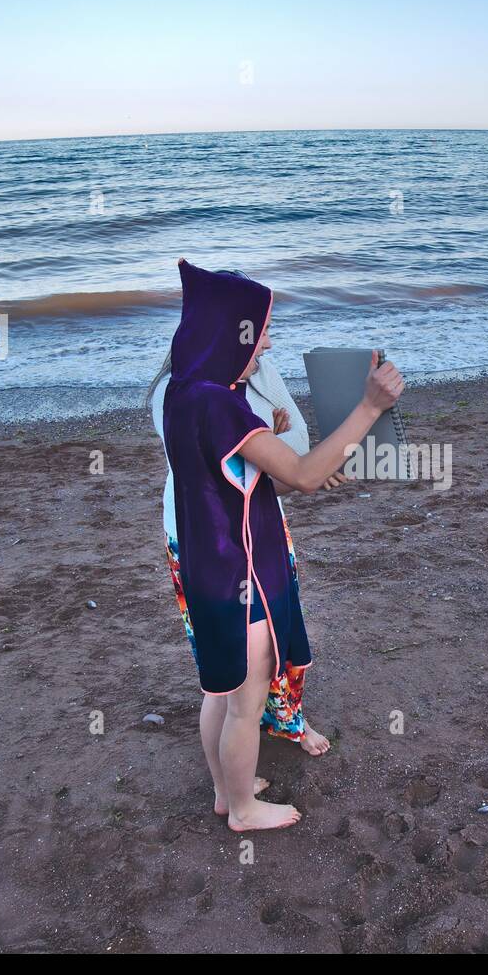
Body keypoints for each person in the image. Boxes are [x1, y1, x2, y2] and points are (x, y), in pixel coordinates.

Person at [161, 259, 403, 832]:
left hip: (204, 562)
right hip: (239, 570)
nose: (267, 338)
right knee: (246, 701)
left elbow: (242, 469)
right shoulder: (220, 405)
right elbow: (303, 474)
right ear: (229, 332)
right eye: (258, 328)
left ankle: (227, 791)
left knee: (218, 687)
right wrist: (369, 407)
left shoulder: (184, 391)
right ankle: (243, 811)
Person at [147, 274, 339, 758]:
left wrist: (268, 440)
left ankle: (285, 719)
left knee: (273, 634)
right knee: (250, 651)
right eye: (262, 332)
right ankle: (249, 729)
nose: (269, 343)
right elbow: (284, 465)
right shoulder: (196, 395)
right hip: (212, 533)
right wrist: (270, 446)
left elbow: (285, 448)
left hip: (250, 517)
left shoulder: (198, 388)